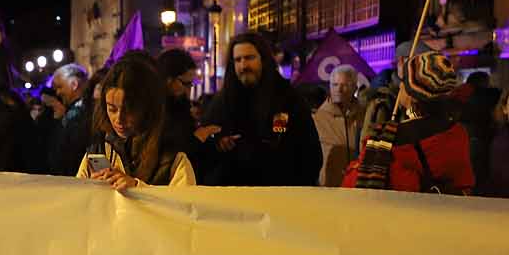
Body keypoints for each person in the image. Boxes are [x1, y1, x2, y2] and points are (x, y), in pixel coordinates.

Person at [344, 52, 474, 195]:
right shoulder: (458, 132)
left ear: (413, 95)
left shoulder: (389, 139)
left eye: (404, 81)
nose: (400, 86)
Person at [201, 33, 321, 186]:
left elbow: (309, 151)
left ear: (263, 59)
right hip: (232, 194)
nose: (244, 66)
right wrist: (218, 141)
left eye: (250, 58)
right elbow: (204, 142)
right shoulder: (222, 101)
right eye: (238, 60)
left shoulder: (287, 98)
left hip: (278, 191)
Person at [75, 55, 195, 188]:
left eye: (128, 110)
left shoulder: (172, 158)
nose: (119, 119)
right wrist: (90, 188)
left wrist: (137, 188)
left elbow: (185, 205)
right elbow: (79, 201)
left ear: (148, 108)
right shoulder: (97, 151)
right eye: (112, 109)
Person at [313, 64, 365, 187]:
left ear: (354, 88)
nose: (339, 90)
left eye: (344, 85)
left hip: (356, 185)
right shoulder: (318, 118)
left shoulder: (364, 114)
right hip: (328, 187)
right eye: (335, 85)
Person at [47, 63, 92, 176]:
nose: (58, 93)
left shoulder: (83, 112)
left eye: (60, 87)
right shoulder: (68, 110)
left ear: (74, 84)